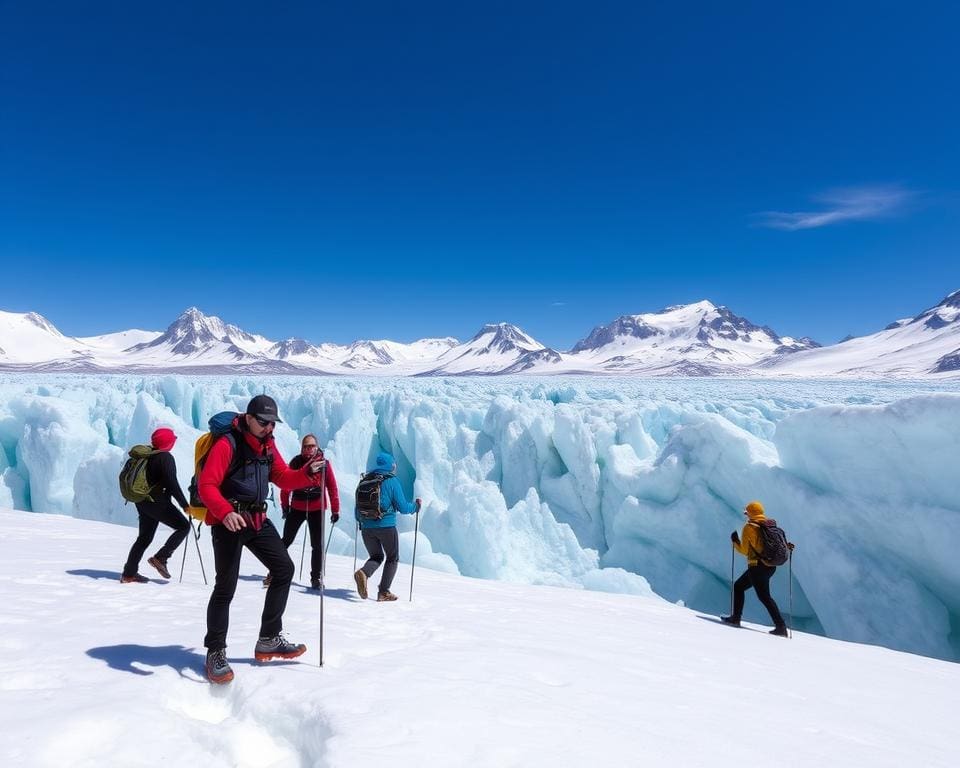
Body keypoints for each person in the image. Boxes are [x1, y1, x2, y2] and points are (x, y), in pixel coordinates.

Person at [198, 395, 326, 684]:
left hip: (256, 518)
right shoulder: (226, 443)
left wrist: (307, 474)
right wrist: (225, 512)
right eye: (264, 422)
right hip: (228, 521)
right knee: (225, 587)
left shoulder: (268, 443)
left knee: (284, 569)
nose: (269, 428)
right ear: (249, 417)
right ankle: (215, 651)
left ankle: (268, 637)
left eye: (272, 423)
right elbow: (207, 485)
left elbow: (281, 475)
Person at [262, 434, 340, 590]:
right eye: (306, 446)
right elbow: (287, 484)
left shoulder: (324, 465)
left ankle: (316, 578)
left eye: (311, 446)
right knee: (286, 541)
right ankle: (274, 571)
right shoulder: (296, 462)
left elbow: (331, 487)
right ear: (302, 448)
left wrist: (335, 509)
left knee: (317, 545)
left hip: (317, 509)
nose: (308, 449)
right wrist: (285, 505)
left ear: (317, 447)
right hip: (296, 508)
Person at [120, 427, 191, 583]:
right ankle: (161, 557)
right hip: (157, 503)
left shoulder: (147, 455)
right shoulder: (165, 458)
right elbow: (171, 483)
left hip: (142, 501)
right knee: (184, 527)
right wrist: (184, 504)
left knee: (144, 538)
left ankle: (128, 573)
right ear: (169, 443)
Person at [353, 451, 420, 602]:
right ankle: (383, 592)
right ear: (390, 465)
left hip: (366, 528)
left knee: (376, 556)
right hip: (386, 527)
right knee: (392, 557)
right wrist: (415, 507)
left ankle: (364, 573)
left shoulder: (364, 481)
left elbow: (356, 509)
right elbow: (403, 507)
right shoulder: (391, 481)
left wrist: (363, 523)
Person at [721, 500, 791, 637]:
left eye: (747, 512)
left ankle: (780, 626)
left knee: (764, 596)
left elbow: (745, 550)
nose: (746, 515)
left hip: (757, 566)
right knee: (740, 587)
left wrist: (735, 542)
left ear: (751, 513)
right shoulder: (769, 525)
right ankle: (736, 617)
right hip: (770, 566)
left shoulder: (750, 528)